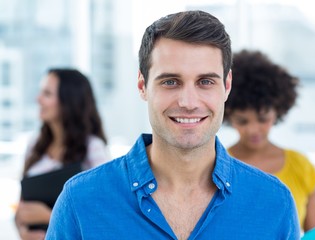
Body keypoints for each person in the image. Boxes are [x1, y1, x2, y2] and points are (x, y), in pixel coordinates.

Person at [46, 11, 300, 239]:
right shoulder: (81, 201)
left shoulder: (274, 203)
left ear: (227, 85)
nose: (188, 102)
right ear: (142, 85)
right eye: (170, 82)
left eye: (205, 82)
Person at [224, 49, 315, 232]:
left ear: (277, 112)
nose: (253, 129)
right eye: (242, 121)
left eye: (263, 119)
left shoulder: (300, 166)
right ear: (228, 116)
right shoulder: (214, 164)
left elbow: (314, 234)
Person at [15, 68, 110, 240]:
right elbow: (21, 207)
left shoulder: (93, 148)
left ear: (69, 101)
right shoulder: (34, 144)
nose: (38, 99)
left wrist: (48, 217)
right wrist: (22, 229)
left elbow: (103, 213)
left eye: (47, 93)